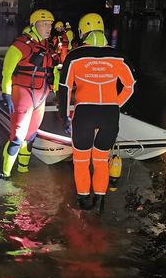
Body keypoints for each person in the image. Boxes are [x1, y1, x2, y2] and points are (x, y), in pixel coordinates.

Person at [57, 13, 136, 214]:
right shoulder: (119, 56)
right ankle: (100, 201)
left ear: (82, 32)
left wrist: (65, 115)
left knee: (81, 161)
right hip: (110, 114)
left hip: (84, 113)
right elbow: (130, 86)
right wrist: (114, 105)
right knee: (101, 160)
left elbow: (64, 87)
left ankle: (84, 201)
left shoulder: (74, 56)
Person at [0, 9, 56, 179]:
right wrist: (6, 93)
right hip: (23, 95)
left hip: (41, 97)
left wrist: (58, 88)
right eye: (44, 24)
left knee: (31, 135)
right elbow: (7, 71)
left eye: (50, 25)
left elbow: (54, 70)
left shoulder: (49, 47)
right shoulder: (20, 45)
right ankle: (6, 174)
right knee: (17, 137)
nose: (48, 28)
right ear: (34, 24)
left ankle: (23, 170)